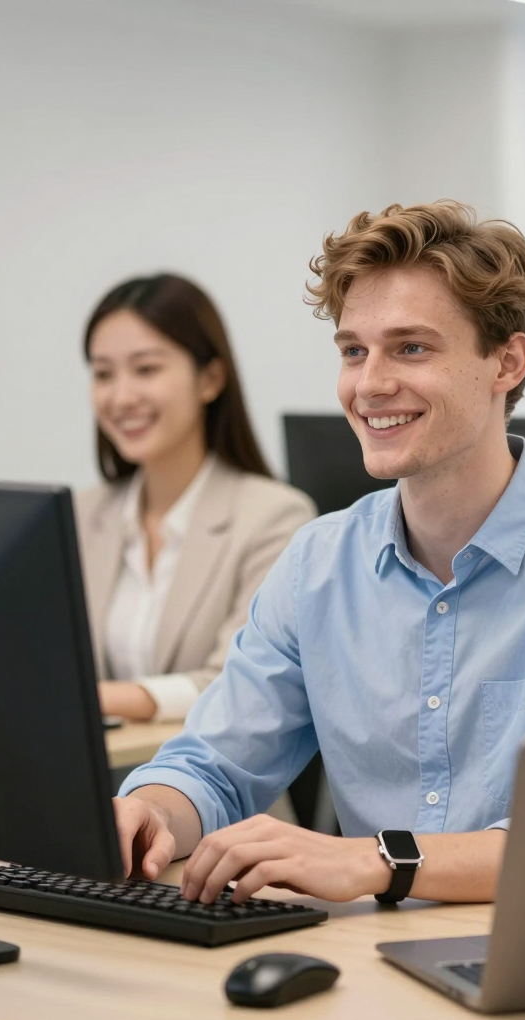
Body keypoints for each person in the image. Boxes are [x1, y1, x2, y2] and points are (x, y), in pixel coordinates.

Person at [113, 201, 525, 907]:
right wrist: (151, 807)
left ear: (506, 362)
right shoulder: (319, 563)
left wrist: (379, 861)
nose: (370, 384)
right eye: (354, 350)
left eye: (411, 348)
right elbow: (213, 765)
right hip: (371, 966)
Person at [75, 274, 316, 723]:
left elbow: (241, 682)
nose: (121, 396)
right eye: (103, 373)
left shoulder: (274, 517)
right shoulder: (81, 515)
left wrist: (96, 698)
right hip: (93, 786)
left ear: (209, 379)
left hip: (220, 789)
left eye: (146, 369)